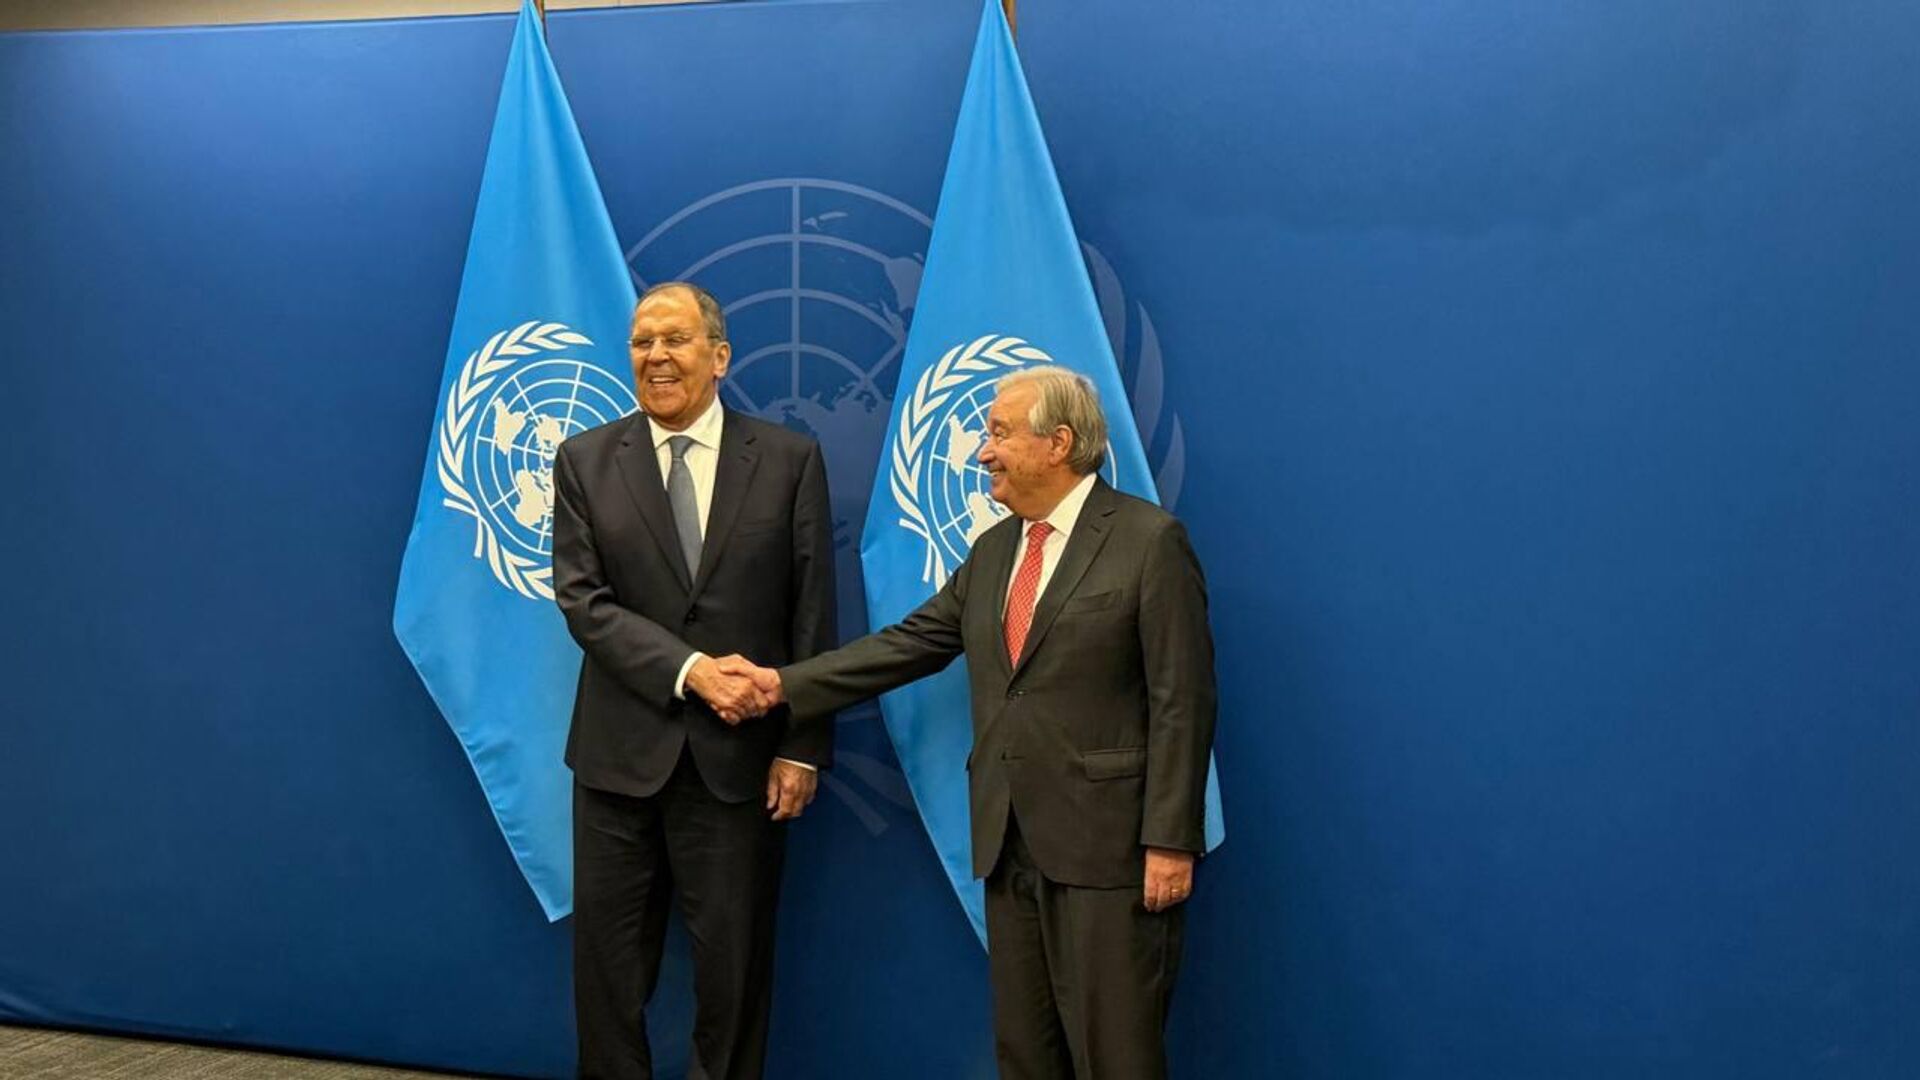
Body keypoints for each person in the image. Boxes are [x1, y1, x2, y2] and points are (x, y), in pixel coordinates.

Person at [726, 365, 1215, 1080]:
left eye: (999, 434)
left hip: (1111, 854)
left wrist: (1169, 839)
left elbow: (1183, 701)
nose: (984, 452)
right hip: (1008, 843)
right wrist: (780, 685)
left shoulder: (1149, 541)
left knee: (1117, 1058)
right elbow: (908, 645)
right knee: (1024, 1055)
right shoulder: (993, 551)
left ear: (1058, 443)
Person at [550, 281, 836, 1080]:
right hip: (617, 763)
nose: (656, 356)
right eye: (642, 341)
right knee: (608, 974)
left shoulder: (788, 461)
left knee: (735, 974)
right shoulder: (584, 461)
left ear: (720, 357)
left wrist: (803, 747)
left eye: (675, 339)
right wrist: (692, 672)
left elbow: (813, 614)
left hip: (740, 765)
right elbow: (584, 603)